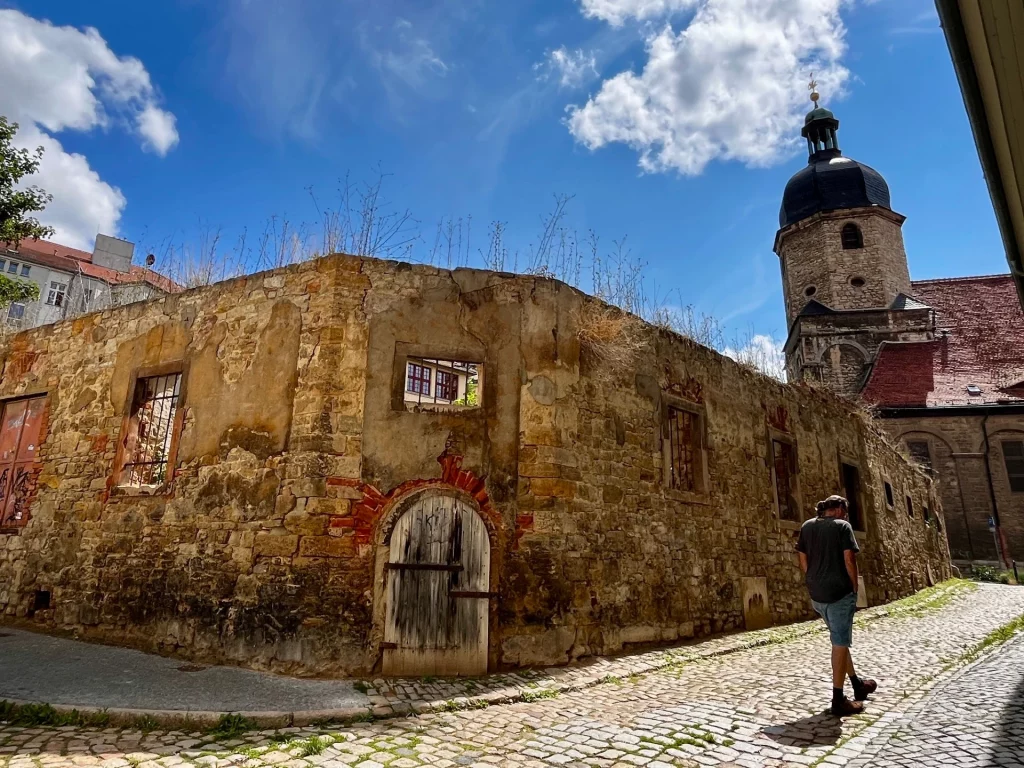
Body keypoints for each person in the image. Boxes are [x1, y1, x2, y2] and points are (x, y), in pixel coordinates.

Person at [797, 494, 877, 716]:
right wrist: (854, 588)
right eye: (847, 511)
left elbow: (802, 559)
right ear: (840, 509)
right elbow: (849, 559)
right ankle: (838, 698)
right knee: (840, 643)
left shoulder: (807, 526)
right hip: (839, 593)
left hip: (817, 594)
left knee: (838, 640)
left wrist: (813, 579)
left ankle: (857, 684)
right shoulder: (843, 527)